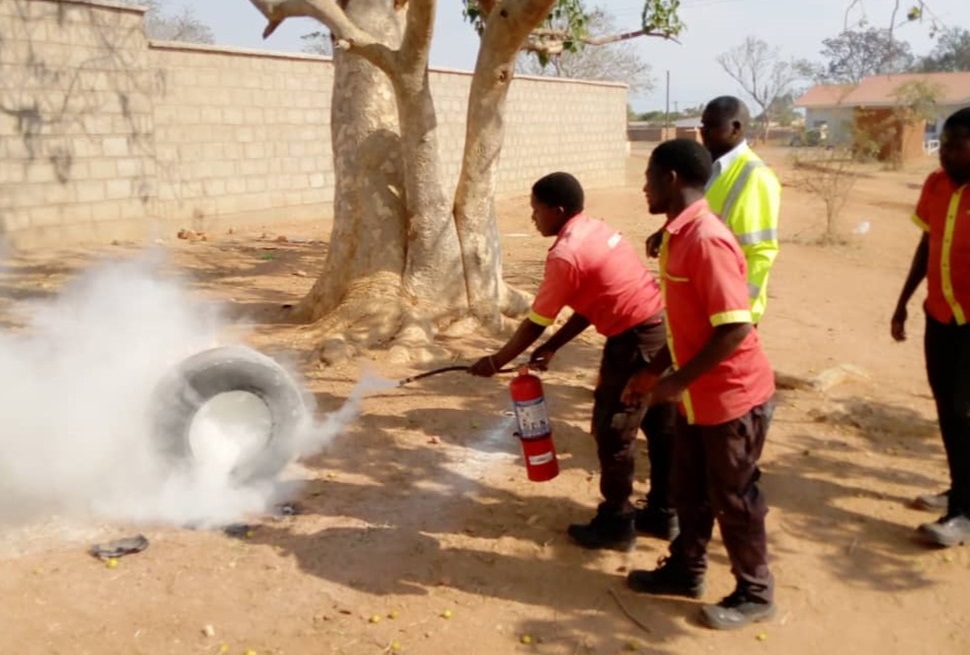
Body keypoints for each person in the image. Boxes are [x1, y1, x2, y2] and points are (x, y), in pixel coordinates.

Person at [468, 171, 679, 550]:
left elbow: (535, 322)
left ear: (558, 210)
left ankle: (616, 522)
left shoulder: (565, 254)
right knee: (661, 428)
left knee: (613, 432)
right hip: (661, 334)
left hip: (632, 343)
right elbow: (592, 300)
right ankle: (665, 514)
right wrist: (556, 346)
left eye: (537, 210)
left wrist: (496, 361)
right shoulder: (595, 231)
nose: (533, 218)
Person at [622, 139, 777, 630]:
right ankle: (686, 570)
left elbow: (734, 327)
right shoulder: (677, 234)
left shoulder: (706, 238)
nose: (643, 187)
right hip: (698, 394)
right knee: (687, 489)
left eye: (648, 177)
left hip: (732, 396)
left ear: (670, 179)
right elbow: (689, 323)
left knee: (734, 497)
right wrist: (658, 372)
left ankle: (755, 592)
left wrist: (675, 382)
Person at [891, 107, 970, 548]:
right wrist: (902, 303)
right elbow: (928, 244)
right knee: (947, 407)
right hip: (939, 314)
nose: (947, 155)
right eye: (945, 145)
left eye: (958, 147)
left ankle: (964, 512)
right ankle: (959, 487)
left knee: (964, 410)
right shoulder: (936, 186)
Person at [647, 96, 781, 326]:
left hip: (727, 312)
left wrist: (737, 311)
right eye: (702, 125)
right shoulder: (708, 167)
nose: (703, 132)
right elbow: (696, 212)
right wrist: (665, 232)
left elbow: (760, 252)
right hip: (700, 295)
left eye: (711, 126)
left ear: (736, 129)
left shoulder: (755, 177)